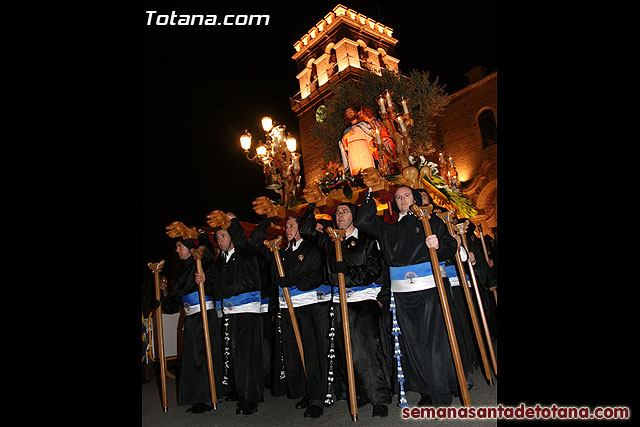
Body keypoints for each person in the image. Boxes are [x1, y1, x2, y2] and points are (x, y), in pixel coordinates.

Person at [355, 185, 468, 407]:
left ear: (415, 198)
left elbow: (451, 243)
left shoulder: (430, 221)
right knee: (412, 344)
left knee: (435, 342)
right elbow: (363, 222)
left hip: (431, 291)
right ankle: (425, 389)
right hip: (403, 296)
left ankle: (441, 390)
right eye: (398, 197)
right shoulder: (389, 229)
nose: (402, 200)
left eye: (406, 195)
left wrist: (439, 244)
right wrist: (369, 194)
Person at [300, 202, 392, 417]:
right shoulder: (331, 241)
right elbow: (306, 231)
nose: (340, 215)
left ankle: (379, 399)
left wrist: (347, 273)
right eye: (337, 212)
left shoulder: (367, 240)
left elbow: (373, 269)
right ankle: (357, 394)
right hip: (339, 303)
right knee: (345, 351)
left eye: (345, 212)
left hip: (362, 303)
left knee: (367, 352)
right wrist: (311, 208)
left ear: (354, 216)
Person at [252, 215, 330, 418]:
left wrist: (292, 280)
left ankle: (317, 398)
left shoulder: (311, 250)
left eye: (292, 226)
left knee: (311, 353)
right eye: (286, 226)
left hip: (306, 307)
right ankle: (305, 391)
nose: (288, 229)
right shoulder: (281, 253)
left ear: (300, 229)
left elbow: (316, 276)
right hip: (287, 309)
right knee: (294, 351)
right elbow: (275, 277)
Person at [205, 213, 264, 415]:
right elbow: (213, 285)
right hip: (230, 312)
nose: (220, 241)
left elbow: (241, 240)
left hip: (247, 311)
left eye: (223, 235)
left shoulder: (245, 253)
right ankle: (242, 392)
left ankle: (249, 399)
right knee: (235, 354)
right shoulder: (220, 261)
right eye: (218, 237)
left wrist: (235, 222)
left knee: (246, 356)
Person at [163, 233, 224, 414]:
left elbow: (212, 279)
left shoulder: (202, 263)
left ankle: (208, 396)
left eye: (180, 246)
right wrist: (164, 294)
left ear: (190, 249)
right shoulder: (181, 270)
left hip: (204, 315)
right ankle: (196, 396)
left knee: (205, 355)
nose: (177, 250)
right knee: (192, 357)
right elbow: (176, 302)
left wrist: (204, 280)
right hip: (191, 318)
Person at [338, 107, 376, 175]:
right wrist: (345, 136)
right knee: (356, 171)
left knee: (368, 169)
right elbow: (344, 146)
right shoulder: (346, 131)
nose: (349, 113)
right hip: (353, 153)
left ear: (356, 113)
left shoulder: (364, 125)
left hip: (364, 149)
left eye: (350, 111)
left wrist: (372, 144)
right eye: (347, 113)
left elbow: (372, 135)